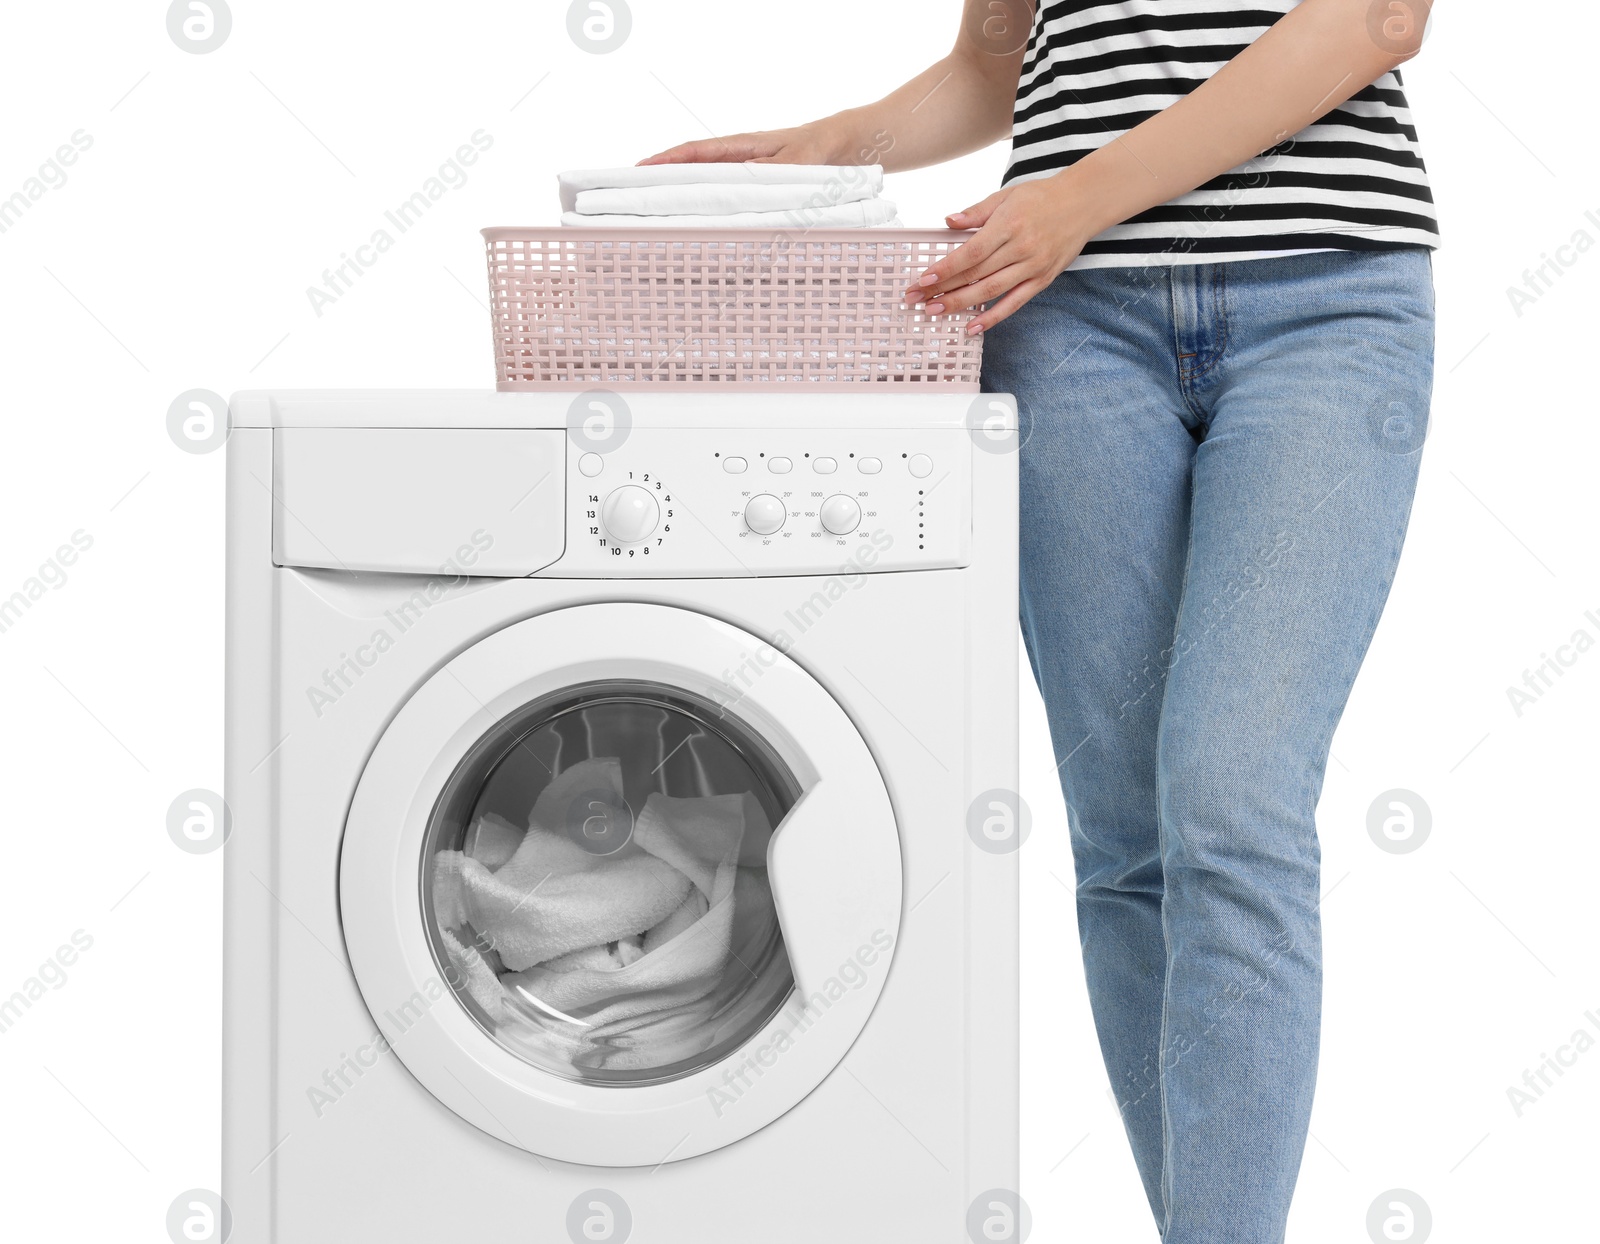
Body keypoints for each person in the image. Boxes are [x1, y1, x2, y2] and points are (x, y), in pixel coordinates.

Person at [643, 1, 1438, 1239]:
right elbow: (992, 64)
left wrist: (1078, 200)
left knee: (1232, 802)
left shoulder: (1130, 217)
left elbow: (1375, 23)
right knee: (1124, 843)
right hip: (1071, 328)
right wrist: (822, 147)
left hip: (1323, 304)